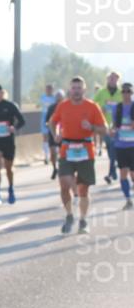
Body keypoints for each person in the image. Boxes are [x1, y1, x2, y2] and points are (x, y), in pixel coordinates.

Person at [47, 76, 108, 234]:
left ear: (84, 90)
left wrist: (92, 126)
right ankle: (69, 215)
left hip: (86, 148)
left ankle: (83, 220)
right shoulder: (63, 106)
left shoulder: (92, 107)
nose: (76, 91)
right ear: (70, 90)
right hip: (67, 148)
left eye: (79, 88)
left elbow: (105, 129)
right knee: (64, 184)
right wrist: (56, 134)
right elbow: (52, 122)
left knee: (83, 190)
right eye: (73, 88)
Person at [93, 71, 123, 184]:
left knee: (114, 149)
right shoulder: (101, 92)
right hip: (104, 125)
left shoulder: (121, 93)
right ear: (107, 79)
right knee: (111, 148)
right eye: (110, 78)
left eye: (114, 78)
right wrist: (101, 109)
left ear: (117, 80)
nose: (112, 80)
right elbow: (92, 105)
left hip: (119, 126)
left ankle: (112, 171)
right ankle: (112, 171)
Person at [110, 82, 134, 210]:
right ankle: (128, 199)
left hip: (133, 145)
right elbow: (114, 124)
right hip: (121, 145)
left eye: (128, 91)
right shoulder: (117, 108)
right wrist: (112, 130)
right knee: (123, 173)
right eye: (123, 92)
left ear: (132, 93)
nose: (126, 94)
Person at [45, 89, 65, 180]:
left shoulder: (66, 106)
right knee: (53, 153)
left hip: (63, 133)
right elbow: (47, 121)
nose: (58, 99)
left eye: (60, 97)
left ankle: (62, 167)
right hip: (53, 133)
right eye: (57, 97)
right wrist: (50, 125)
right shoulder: (51, 108)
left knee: (62, 152)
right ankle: (54, 168)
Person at [40, 84, 57, 164]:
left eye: (50, 89)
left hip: (53, 118)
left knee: (54, 136)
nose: (48, 90)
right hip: (44, 118)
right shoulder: (42, 97)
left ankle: (54, 154)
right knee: (45, 137)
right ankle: (46, 156)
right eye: (47, 89)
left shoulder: (54, 98)